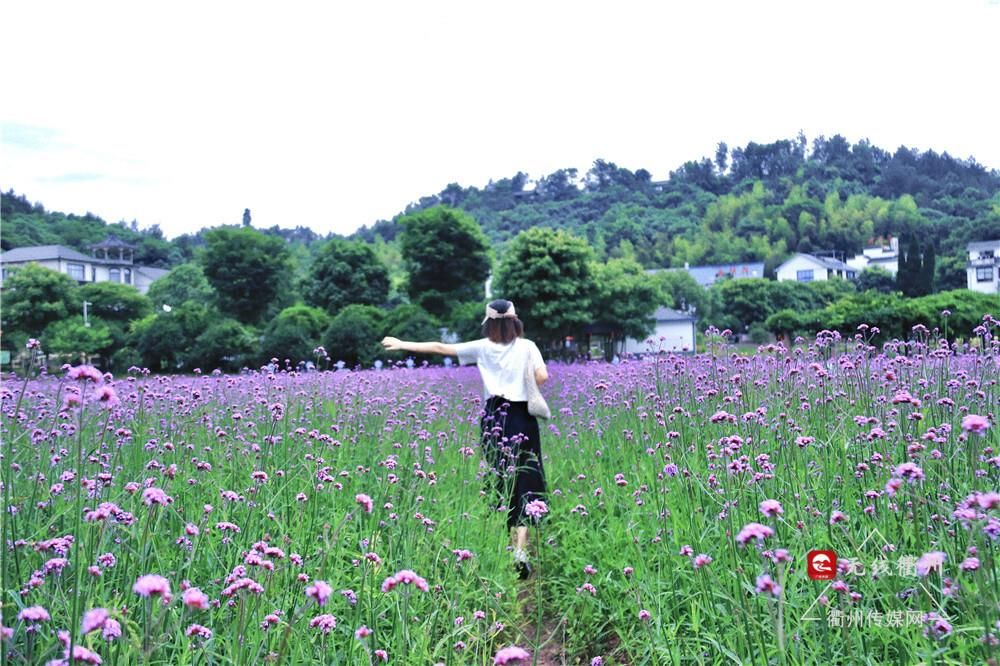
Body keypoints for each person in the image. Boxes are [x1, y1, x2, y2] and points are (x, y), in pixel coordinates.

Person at [381, 298, 548, 578]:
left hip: (494, 418)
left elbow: (439, 347)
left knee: (500, 481)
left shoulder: (482, 348)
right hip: (523, 418)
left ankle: (501, 546)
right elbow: (543, 376)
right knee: (525, 483)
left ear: (489, 323)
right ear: (515, 320)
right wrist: (523, 381)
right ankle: (519, 550)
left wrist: (401, 343)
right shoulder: (528, 347)